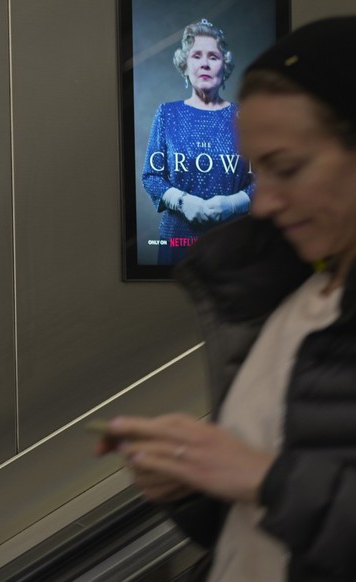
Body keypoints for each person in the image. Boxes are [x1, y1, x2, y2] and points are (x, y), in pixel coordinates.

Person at [97, 16, 356, 580]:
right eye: (259, 172)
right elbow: (256, 529)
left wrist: (263, 478)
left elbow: (273, 489)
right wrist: (193, 488)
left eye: (286, 169)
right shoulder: (286, 304)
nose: (263, 205)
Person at [142, 19, 253, 265]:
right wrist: (182, 201)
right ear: (185, 64)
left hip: (232, 243)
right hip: (177, 243)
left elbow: (266, 180)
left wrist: (233, 204)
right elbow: (151, 176)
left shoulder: (245, 116)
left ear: (224, 66)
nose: (204, 63)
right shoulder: (166, 114)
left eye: (213, 57)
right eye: (197, 56)